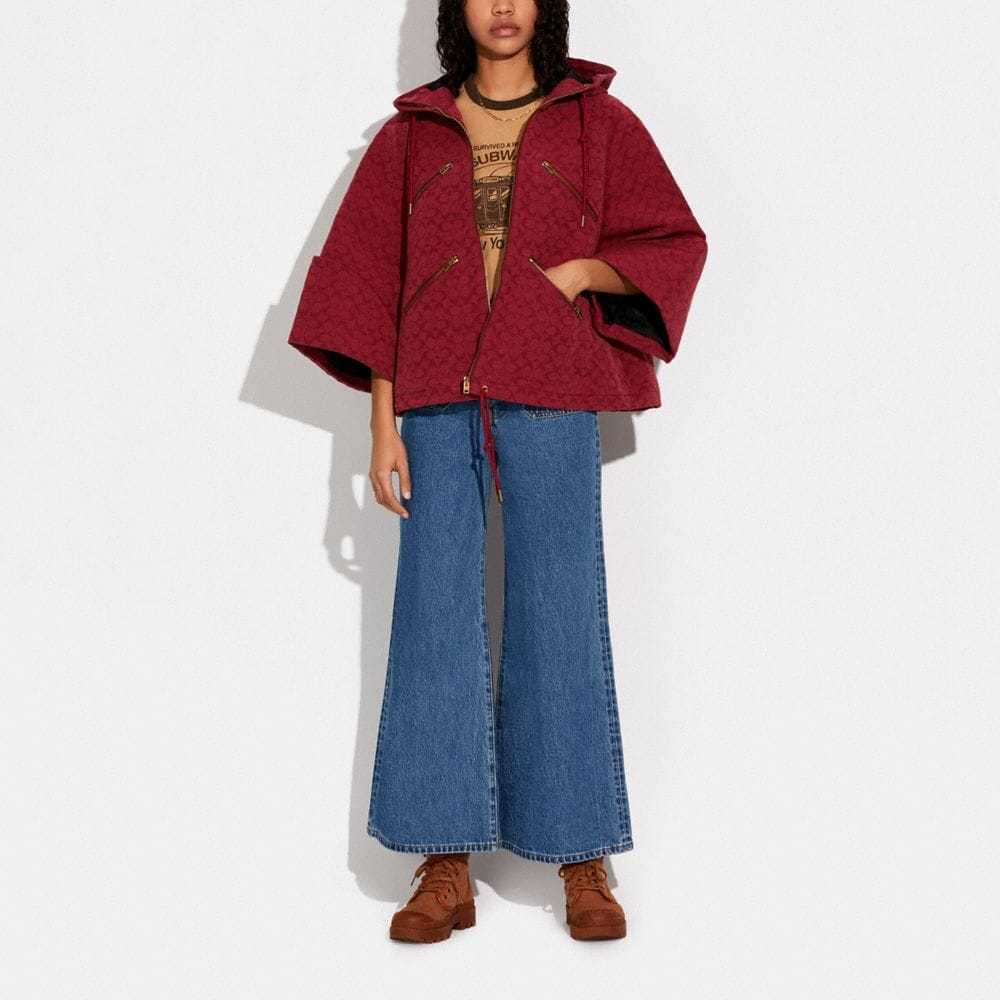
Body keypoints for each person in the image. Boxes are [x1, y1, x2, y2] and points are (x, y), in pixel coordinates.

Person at [287, 0, 707, 943]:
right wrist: (381, 427)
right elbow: (374, 283)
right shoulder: (411, 134)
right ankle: (443, 863)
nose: (504, 5)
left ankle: (582, 856)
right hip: (435, 402)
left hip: (552, 388)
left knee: (561, 613)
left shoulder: (598, 121)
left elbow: (672, 241)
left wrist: (581, 275)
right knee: (434, 615)